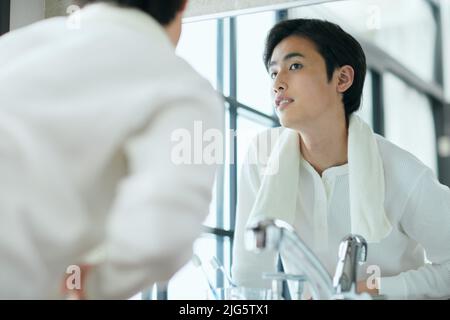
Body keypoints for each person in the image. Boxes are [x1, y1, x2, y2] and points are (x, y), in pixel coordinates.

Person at [0, 0, 223, 299]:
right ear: (183, 4)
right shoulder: (184, 86)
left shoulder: (11, 47)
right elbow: (162, 235)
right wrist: (90, 288)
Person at [231, 18, 450, 300]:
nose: (278, 83)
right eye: (273, 73)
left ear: (342, 79)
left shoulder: (402, 171)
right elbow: (249, 276)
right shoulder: (262, 155)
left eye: (294, 66)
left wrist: (371, 289)